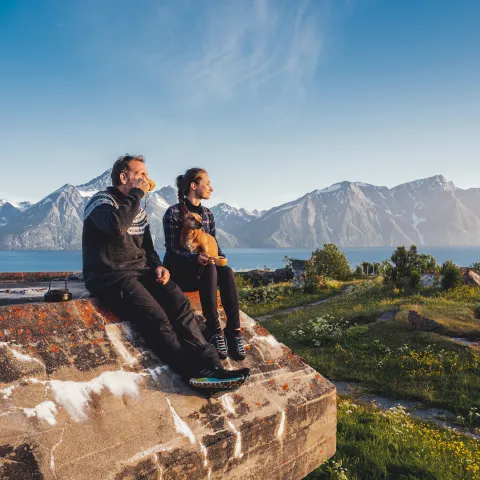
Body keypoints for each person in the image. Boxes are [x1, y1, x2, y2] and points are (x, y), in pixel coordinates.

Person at [82, 154, 249, 394]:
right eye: (141, 175)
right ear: (123, 177)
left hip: (142, 272)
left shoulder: (138, 209)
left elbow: (148, 249)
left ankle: (213, 367)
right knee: (157, 317)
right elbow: (115, 227)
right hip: (113, 276)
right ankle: (193, 374)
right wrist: (137, 193)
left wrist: (158, 265)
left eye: (146, 176)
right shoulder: (101, 202)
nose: (146, 179)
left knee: (179, 303)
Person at [163, 168, 246, 361]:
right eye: (207, 183)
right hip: (181, 273)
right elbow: (172, 250)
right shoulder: (174, 213)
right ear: (194, 186)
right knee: (209, 268)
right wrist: (194, 258)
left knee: (226, 271)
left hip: (205, 272)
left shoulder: (208, 214)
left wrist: (220, 257)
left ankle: (234, 331)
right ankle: (214, 330)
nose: (211, 188)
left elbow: (213, 243)